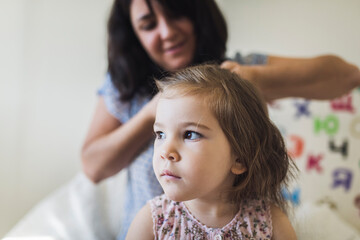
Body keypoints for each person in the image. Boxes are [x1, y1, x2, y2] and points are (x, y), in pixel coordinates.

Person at [81, 0, 360, 238]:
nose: (166, 32)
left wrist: (257, 79)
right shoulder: (126, 85)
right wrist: (155, 110)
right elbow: (93, 167)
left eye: (176, 13)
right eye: (148, 24)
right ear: (134, 34)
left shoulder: (239, 73)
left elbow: (348, 76)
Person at [126, 64, 298, 240]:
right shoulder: (153, 222)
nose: (166, 151)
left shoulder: (268, 223)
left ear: (239, 158)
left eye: (190, 134)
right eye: (160, 134)